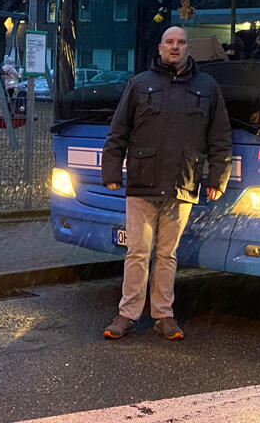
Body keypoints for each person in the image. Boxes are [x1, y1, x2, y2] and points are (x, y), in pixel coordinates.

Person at [100, 26, 232, 340]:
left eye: (181, 42)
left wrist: (217, 178)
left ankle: (164, 315)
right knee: (137, 252)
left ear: (189, 48)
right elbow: (118, 131)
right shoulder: (139, 84)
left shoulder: (207, 87)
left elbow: (220, 138)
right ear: (160, 48)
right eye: (169, 42)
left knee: (167, 255)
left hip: (182, 182)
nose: (175, 47)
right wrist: (110, 173)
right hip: (143, 182)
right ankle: (127, 314)